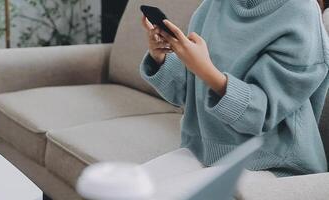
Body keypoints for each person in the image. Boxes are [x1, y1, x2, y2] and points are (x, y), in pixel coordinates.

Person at [139, 0, 329, 183]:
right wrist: (161, 57)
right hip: (202, 151)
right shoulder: (213, 4)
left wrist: (205, 70)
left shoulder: (300, 12)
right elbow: (186, 95)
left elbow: (261, 115)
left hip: (272, 163)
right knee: (123, 189)